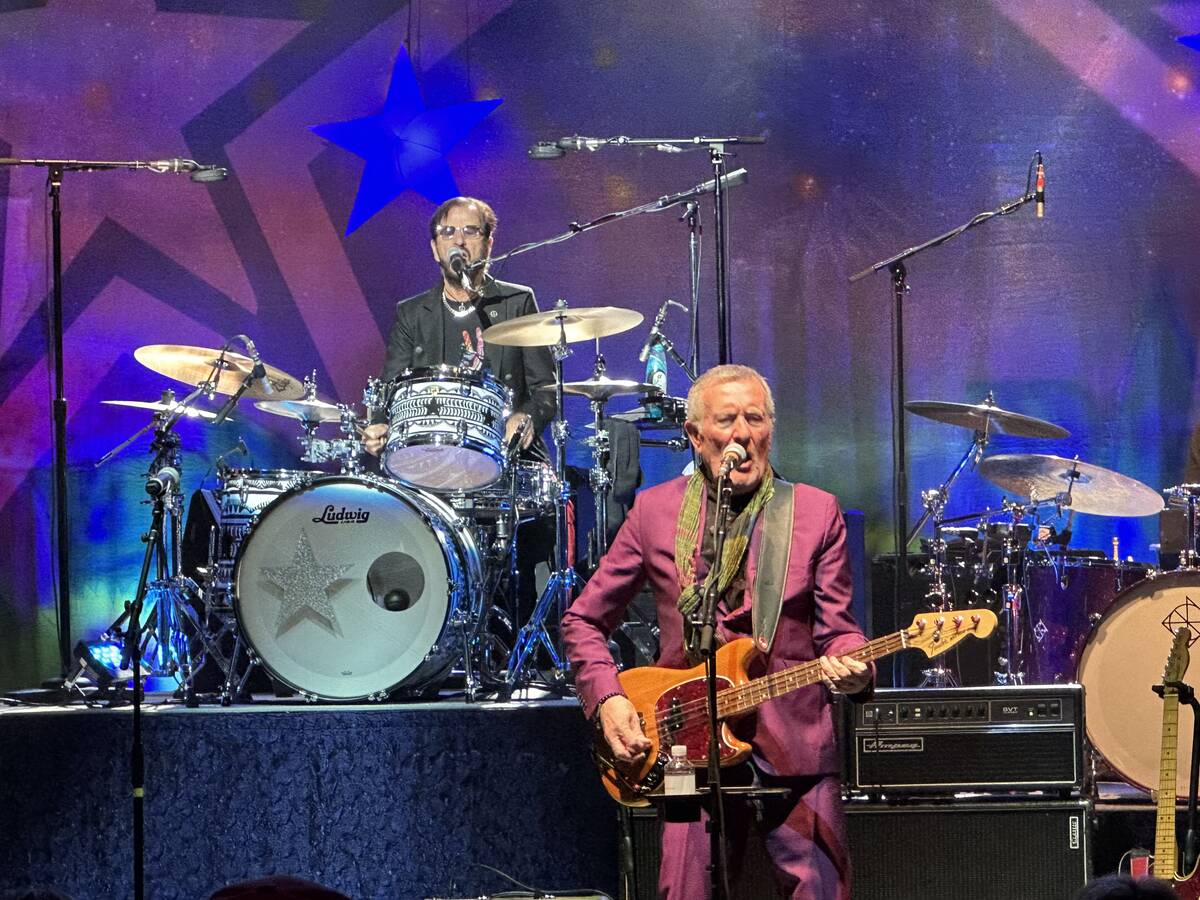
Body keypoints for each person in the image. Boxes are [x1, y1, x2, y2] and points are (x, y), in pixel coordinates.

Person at [561, 364, 872, 900]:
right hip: (687, 747)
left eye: (755, 418)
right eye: (727, 420)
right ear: (695, 435)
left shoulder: (814, 513)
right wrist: (609, 699)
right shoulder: (653, 513)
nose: (742, 434)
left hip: (793, 743)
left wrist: (853, 665)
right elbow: (582, 619)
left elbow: (838, 630)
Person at [362, 196, 555, 458]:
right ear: (434, 248)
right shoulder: (413, 312)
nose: (459, 241)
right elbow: (389, 389)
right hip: (430, 455)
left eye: (470, 231)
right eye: (448, 232)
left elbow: (545, 388)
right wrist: (379, 424)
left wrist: (526, 416)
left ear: (489, 244)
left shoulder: (516, 303)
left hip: (502, 455)